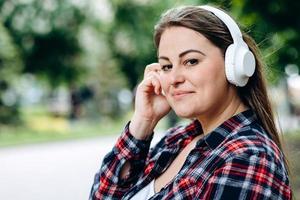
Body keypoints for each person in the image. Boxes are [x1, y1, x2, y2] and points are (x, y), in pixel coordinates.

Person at [89, 5, 292, 200]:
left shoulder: (249, 158)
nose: (174, 78)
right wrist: (143, 121)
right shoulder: (176, 140)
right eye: (167, 66)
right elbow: (101, 196)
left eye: (191, 61)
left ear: (235, 65)